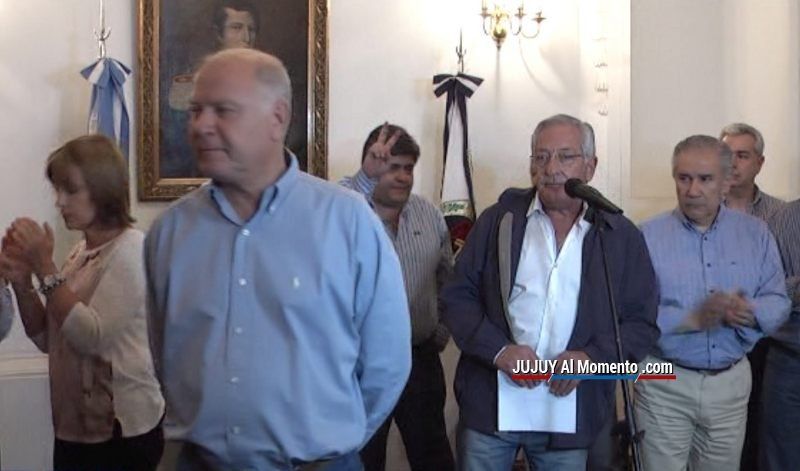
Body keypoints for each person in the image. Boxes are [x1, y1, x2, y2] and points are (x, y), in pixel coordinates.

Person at [145, 48, 411, 470]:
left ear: (277, 117)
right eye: (196, 110)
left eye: (223, 110)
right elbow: (166, 358)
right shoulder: (170, 233)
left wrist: (329, 445)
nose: (201, 125)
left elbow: (387, 363)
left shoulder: (347, 222)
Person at [441, 113, 659, 470]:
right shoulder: (500, 220)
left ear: (590, 166)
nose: (551, 168)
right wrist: (499, 351)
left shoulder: (619, 235)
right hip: (491, 406)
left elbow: (641, 324)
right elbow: (456, 296)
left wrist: (591, 358)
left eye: (565, 156)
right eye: (541, 157)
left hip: (568, 413)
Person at [0, 134, 165, 471]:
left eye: (70, 190)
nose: (59, 201)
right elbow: (49, 339)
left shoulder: (131, 249)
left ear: (103, 189)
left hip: (119, 433)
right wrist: (21, 282)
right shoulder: (80, 253)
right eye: (57, 190)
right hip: (77, 429)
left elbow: (91, 337)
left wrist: (44, 265)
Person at [636, 135, 790, 471]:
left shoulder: (756, 233)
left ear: (726, 182)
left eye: (705, 179)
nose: (692, 190)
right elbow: (631, 315)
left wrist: (751, 312)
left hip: (731, 381)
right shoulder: (646, 236)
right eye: (684, 178)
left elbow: (778, 300)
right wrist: (690, 319)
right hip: (664, 379)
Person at [340, 123, 455, 471]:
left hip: (419, 359)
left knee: (432, 457)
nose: (403, 177)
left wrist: (440, 331)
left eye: (408, 168)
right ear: (372, 166)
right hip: (359, 365)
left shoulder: (429, 215)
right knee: (362, 457)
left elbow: (449, 280)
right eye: (393, 167)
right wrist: (364, 177)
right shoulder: (345, 210)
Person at [719, 122, 785, 471]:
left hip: (767, 342)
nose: (732, 163)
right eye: (726, 154)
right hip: (715, 333)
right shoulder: (701, 207)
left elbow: (786, 281)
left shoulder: (780, 215)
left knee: (759, 427)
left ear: (759, 163)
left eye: (742, 155)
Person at [761, 200, 800, 470]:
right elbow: (764, 289)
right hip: (789, 358)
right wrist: (796, 288)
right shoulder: (781, 220)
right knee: (780, 456)